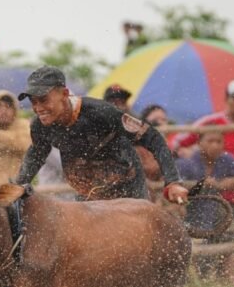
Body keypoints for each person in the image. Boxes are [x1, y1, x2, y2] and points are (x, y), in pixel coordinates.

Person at [15, 66, 186, 203]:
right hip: (87, 192)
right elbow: (37, 153)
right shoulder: (40, 126)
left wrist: (172, 181)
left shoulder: (101, 112)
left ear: (64, 94)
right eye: (33, 101)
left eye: (43, 100)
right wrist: (19, 184)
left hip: (127, 186)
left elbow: (153, 138)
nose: (38, 108)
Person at [176, 131, 234, 279]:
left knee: (230, 239)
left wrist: (230, 182)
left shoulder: (225, 159)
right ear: (200, 143)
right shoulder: (187, 163)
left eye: (219, 142)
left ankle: (230, 280)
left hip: (215, 209)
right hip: (192, 212)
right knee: (195, 249)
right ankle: (196, 279)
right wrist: (183, 202)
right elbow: (175, 187)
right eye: (210, 141)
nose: (215, 145)